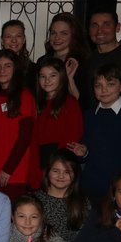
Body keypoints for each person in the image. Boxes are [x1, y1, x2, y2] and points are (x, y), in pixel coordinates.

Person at [67, 63, 121, 206]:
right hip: (92, 186)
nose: (104, 90)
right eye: (98, 86)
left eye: (110, 84)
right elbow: (86, 150)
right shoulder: (89, 115)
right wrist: (83, 153)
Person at [0, 49, 36, 203]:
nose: (2, 70)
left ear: (15, 69)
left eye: (7, 66)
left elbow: (25, 137)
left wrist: (8, 169)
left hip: (13, 173)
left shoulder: (24, 95)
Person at [29, 56, 83, 189]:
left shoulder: (70, 103)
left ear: (62, 77)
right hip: (37, 163)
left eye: (52, 75)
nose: (47, 80)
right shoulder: (36, 104)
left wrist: (51, 170)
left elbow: (71, 138)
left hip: (61, 165)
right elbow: (32, 142)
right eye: (42, 76)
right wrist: (35, 173)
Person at [33, 12, 90, 103]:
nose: (57, 38)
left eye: (64, 33)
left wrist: (69, 79)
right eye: (53, 33)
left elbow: (82, 101)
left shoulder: (81, 62)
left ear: (74, 36)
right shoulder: (42, 61)